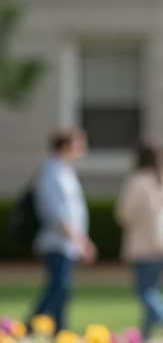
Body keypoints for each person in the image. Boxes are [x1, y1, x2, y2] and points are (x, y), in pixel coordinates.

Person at [114, 142, 163, 343]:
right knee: (153, 290)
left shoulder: (138, 181)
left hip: (142, 246)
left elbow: (124, 214)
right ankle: (144, 341)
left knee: (145, 292)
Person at [28, 128, 97, 332]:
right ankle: (33, 328)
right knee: (57, 289)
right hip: (56, 242)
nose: (82, 149)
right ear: (66, 147)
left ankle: (57, 331)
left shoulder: (66, 172)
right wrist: (80, 241)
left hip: (67, 244)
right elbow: (56, 213)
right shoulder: (52, 173)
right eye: (78, 145)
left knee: (61, 290)